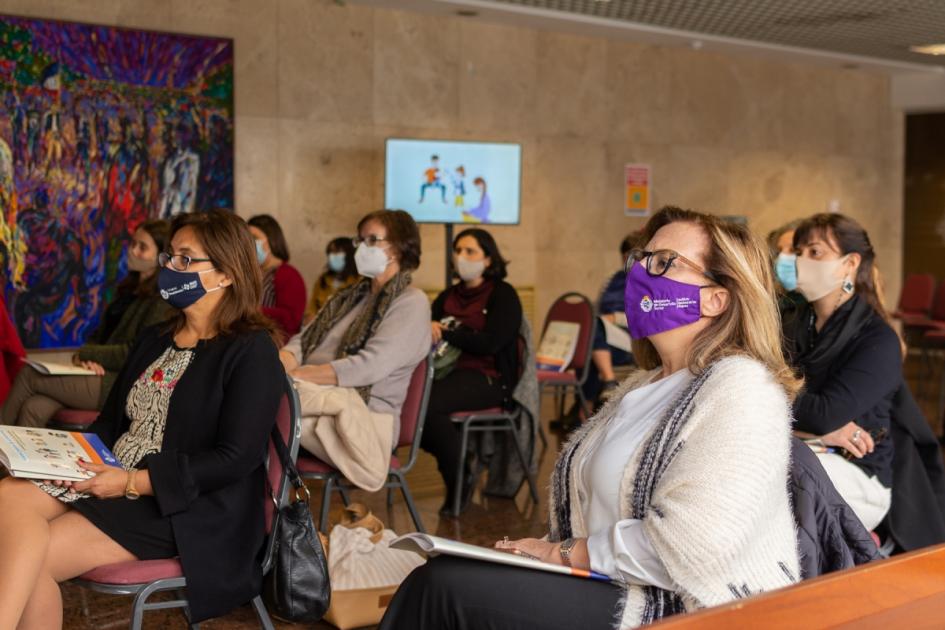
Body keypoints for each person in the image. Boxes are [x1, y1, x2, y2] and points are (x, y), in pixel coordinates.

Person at [381, 206, 802, 629]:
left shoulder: (743, 387)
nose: (639, 273)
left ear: (715, 298)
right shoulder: (641, 386)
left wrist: (560, 553)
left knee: (443, 588)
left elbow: (694, 546)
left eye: (662, 262)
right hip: (612, 581)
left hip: (683, 607)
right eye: (640, 259)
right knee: (442, 577)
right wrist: (542, 553)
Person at [0, 210, 285, 627]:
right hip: (112, 474)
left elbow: (235, 459)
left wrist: (131, 482)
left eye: (185, 260)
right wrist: (65, 460)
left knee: (29, 556)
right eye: (170, 257)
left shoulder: (251, 350)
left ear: (226, 274)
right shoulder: (155, 339)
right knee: (8, 495)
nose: (170, 268)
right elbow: (110, 424)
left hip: (182, 506)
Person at [279, 209, 431, 468]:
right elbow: (303, 340)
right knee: (255, 403)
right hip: (315, 400)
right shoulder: (349, 297)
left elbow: (370, 366)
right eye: (359, 240)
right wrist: (285, 359)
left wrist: (297, 375)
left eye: (371, 240)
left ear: (398, 248)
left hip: (362, 419)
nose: (361, 247)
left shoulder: (411, 302)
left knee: (257, 414)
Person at [784, 213, 902, 532]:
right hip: (803, 450)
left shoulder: (878, 339)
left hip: (859, 476)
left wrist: (816, 425)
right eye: (799, 253)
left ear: (849, 264)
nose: (801, 261)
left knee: (775, 474)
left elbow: (824, 413)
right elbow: (749, 390)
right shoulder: (790, 324)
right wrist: (813, 430)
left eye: (815, 252)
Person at [2, 219, 172, 427]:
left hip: (119, 383)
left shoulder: (161, 300)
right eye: (133, 244)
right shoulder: (128, 290)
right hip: (96, 372)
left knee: (28, 374)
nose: (133, 251)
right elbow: (97, 337)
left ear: (160, 257)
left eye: (142, 247)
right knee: (34, 406)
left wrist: (88, 354)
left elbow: (134, 352)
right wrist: (89, 361)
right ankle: (17, 459)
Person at [423, 228, 523, 514]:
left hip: (490, 377)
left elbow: (492, 343)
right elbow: (428, 333)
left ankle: (458, 479)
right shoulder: (446, 296)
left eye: (470, 251)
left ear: (488, 259)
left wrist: (448, 332)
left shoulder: (503, 294)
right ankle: (458, 460)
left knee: (427, 406)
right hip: (446, 372)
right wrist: (430, 328)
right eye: (458, 251)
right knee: (409, 405)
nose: (461, 257)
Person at [247, 214, 307, 340]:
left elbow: (291, 320)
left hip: (275, 342)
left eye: (254, 238)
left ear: (271, 240)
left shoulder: (288, 275)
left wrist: (252, 311)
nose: (249, 244)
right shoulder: (250, 273)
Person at [305, 237, 359, 323]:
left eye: (337, 253)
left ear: (349, 255)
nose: (332, 257)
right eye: (330, 253)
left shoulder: (359, 281)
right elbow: (312, 307)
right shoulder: (323, 279)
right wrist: (310, 317)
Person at [767, 218, 807, 313]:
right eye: (779, 251)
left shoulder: (823, 307)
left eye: (793, 250)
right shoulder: (778, 304)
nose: (782, 258)